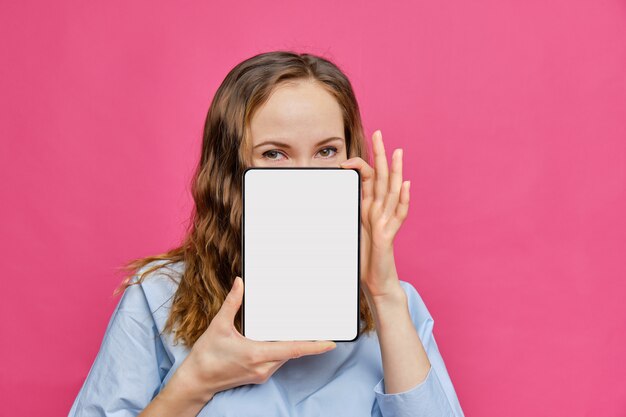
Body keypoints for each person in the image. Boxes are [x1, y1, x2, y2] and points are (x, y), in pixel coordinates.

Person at [68, 51, 465, 417]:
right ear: (230, 171)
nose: (306, 177)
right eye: (274, 154)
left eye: (326, 151)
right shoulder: (158, 296)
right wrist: (197, 380)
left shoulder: (398, 303)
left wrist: (383, 294)